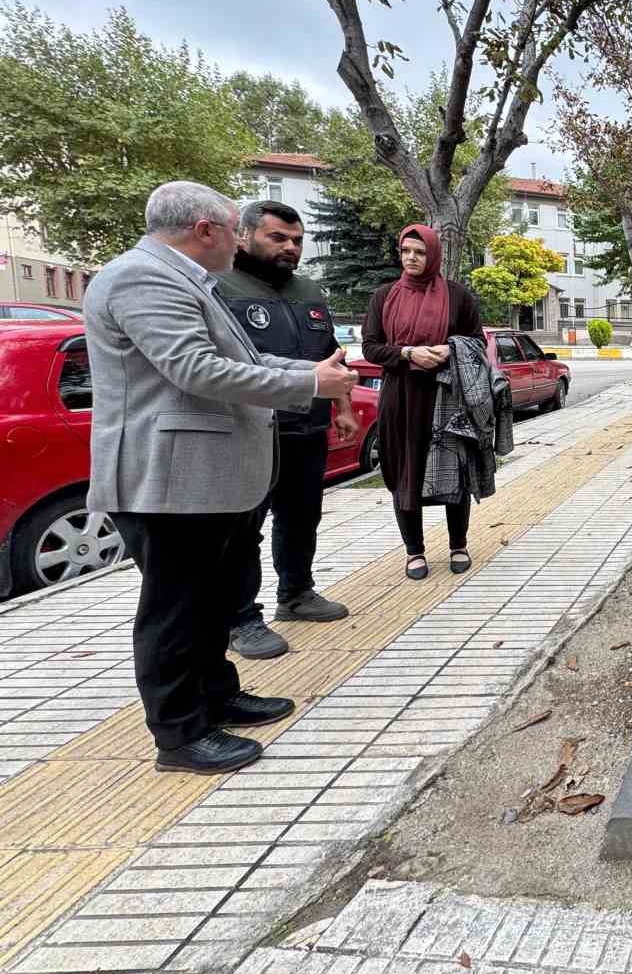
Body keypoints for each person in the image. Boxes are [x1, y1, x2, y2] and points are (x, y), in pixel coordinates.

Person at [83, 182, 358, 774]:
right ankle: (180, 736)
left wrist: (312, 371)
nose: (238, 241)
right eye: (236, 228)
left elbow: (245, 363)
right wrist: (309, 385)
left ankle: (216, 695)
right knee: (174, 609)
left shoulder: (188, 280)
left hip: (207, 480)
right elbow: (196, 369)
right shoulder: (141, 278)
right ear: (205, 229)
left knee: (211, 600)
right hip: (169, 480)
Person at [217, 200, 357, 660]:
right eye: (278, 238)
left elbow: (331, 356)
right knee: (244, 529)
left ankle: (296, 594)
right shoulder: (220, 287)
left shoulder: (308, 290)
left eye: (297, 240)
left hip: (306, 428)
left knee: (301, 518)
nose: (290, 248)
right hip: (251, 430)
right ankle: (241, 618)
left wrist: (342, 407)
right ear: (245, 236)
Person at [362, 225, 485, 579]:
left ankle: (458, 544)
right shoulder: (383, 296)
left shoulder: (457, 295)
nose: (412, 258)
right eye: (406, 251)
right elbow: (371, 347)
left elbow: (476, 341)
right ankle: (414, 552)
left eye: (420, 252)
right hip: (400, 398)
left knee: (453, 469)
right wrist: (407, 352)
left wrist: (450, 349)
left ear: (433, 255)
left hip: (447, 397)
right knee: (405, 471)